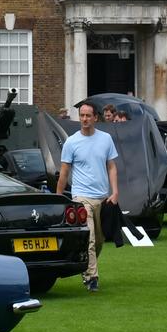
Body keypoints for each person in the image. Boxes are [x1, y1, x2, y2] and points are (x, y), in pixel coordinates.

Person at [58, 101, 120, 293]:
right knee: (90, 239)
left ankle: (86, 265)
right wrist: (59, 198)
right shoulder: (71, 142)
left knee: (100, 240)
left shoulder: (106, 139)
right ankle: (91, 277)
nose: (84, 119)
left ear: (95, 118)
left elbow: (111, 166)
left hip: (102, 198)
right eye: (82, 115)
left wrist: (115, 191)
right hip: (80, 198)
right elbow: (64, 172)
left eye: (88, 116)